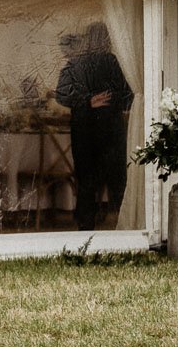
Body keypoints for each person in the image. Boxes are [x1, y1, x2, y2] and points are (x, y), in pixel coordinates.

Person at [55, 22, 134, 231]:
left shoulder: (76, 63)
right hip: (111, 128)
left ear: (88, 39)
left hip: (84, 129)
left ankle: (85, 225)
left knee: (86, 179)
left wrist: (86, 101)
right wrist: (105, 101)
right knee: (117, 178)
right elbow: (129, 96)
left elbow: (61, 95)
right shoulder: (113, 62)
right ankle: (121, 223)